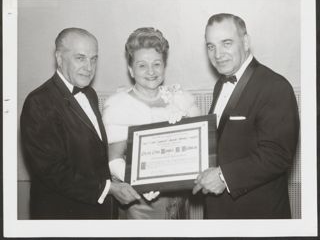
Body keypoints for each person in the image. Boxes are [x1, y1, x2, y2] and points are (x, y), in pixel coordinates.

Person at [20, 27, 141, 219]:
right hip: (63, 215)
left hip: (97, 210)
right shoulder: (39, 102)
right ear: (59, 58)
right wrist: (109, 189)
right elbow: (52, 171)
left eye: (94, 59)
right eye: (80, 58)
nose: (89, 67)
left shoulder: (90, 94)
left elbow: (93, 155)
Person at [193, 13, 300, 219]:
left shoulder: (275, 86)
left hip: (256, 213)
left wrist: (224, 177)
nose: (218, 54)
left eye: (226, 43)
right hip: (219, 211)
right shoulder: (220, 85)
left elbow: (278, 155)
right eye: (211, 46)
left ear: (246, 41)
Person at [102, 27, 201, 219]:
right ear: (131, 69)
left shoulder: (180, 100)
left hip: (180, 199)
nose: (151, 72)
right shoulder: (119, 106)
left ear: (164, 66)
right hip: (140, 203)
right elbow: (113, 160)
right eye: (142, 65)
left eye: (157, 64)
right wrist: (142, 183)